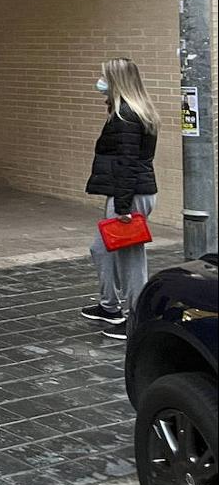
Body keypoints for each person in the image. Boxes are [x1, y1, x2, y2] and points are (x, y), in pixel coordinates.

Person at [82, 58, 159, 341]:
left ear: (116, 80)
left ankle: (136, 319)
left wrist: (124, 207)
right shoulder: (128, 111)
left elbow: (127, 162)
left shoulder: (127, 116)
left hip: (129, 194)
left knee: (130, 260)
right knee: (102, 250)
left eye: (104, 77)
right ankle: (110, 306)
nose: (99, 81)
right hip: (127, 191)